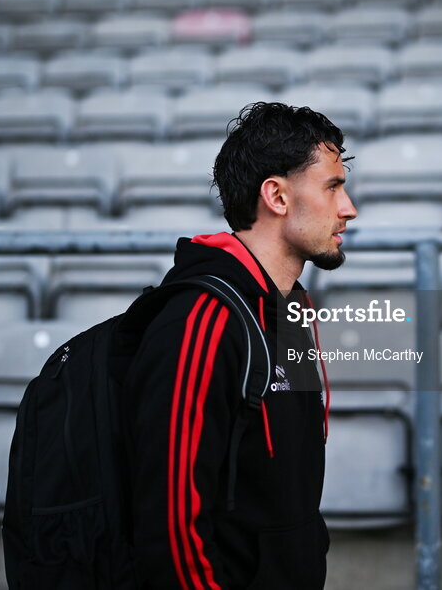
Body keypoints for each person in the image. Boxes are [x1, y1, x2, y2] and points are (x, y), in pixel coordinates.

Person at [121, 102, 358, 589]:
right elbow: (170, 524)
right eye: (333, 187)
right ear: (277, 196)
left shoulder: (292, 312)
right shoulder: (199, 320)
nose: (348, 207)